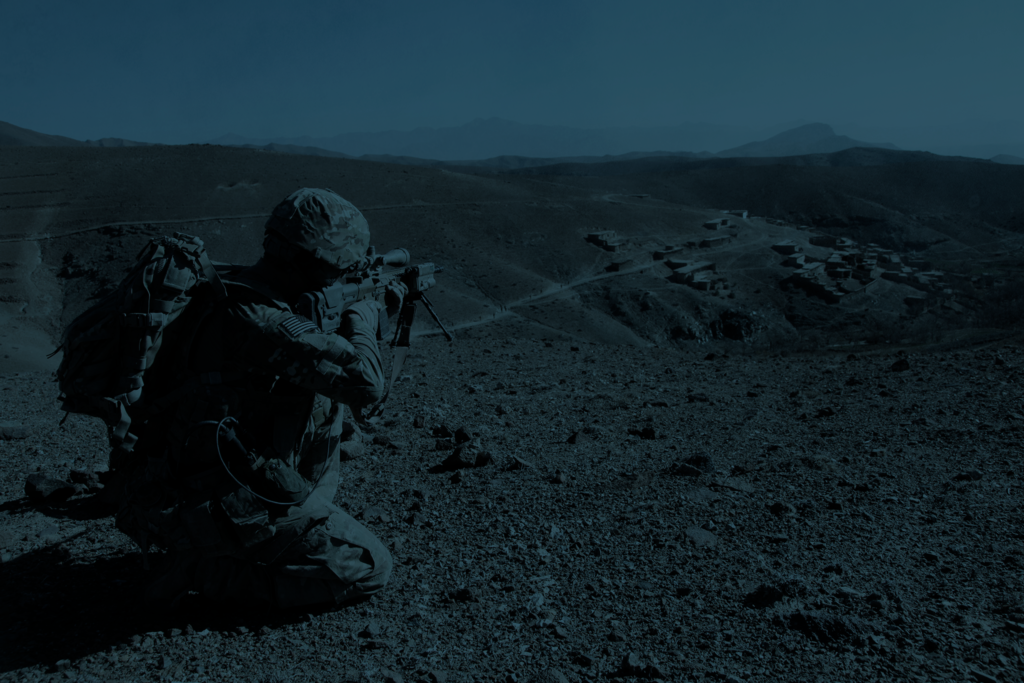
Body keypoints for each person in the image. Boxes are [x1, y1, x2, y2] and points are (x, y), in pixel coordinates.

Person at [113, 188, 402, 610]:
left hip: (198, 475)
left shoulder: (239, 290)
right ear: (303, 260)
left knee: (321, 406)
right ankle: (204, 568)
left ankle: (285, 525)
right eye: (335, 269)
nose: (338, 279)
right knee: (370, 568)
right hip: (203, 501)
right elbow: (366, 387)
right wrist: (366, 316)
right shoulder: (260, 319)